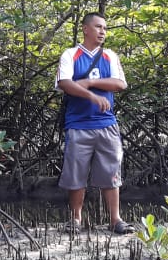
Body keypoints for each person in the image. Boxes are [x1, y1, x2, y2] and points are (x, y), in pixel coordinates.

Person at [55, 12, 132, 234]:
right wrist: (92, 96)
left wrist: (90, 82)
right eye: (98, 27)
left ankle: (115, 220)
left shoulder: (109, 56)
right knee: (75, 174)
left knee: (111, 173)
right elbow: (65, 83)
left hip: (107, 124)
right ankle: (75, 219)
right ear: (85, 29)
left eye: (105, 28)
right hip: (78, 124)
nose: (102, 32)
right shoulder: (70, 55)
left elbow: (120, 84)